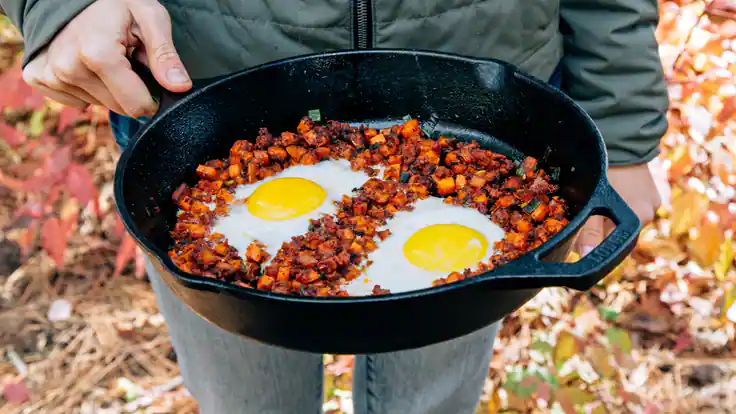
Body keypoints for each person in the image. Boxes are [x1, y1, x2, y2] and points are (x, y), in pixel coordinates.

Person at [2, 0, 668, 412]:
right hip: (200, 95)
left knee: (431, 400)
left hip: (482, 90)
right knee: (246, 400)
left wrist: (623, 123)